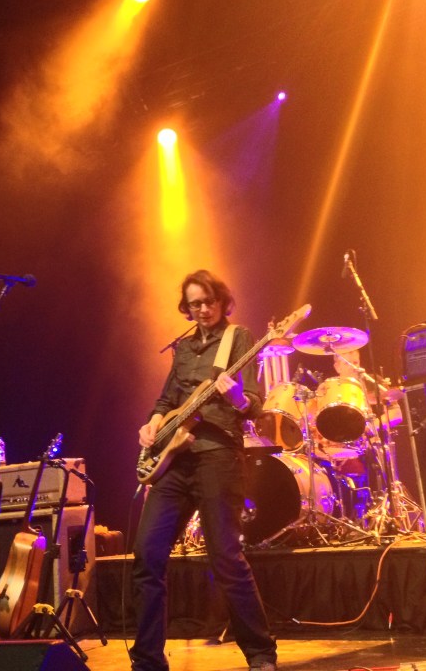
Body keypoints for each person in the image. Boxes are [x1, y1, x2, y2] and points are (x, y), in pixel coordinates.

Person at [131, 270, 277, 671]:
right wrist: (152, 424)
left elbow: (254, 404)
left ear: (221, 300)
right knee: (146, 555)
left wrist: (235, 396)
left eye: (208, 301)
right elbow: (165, 401)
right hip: (175, 460)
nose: (202, 309)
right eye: (194, 303)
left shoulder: (239, 339)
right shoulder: (182, 349)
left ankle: (261, 654)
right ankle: (146, 661)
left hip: (217, 456)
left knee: (227, 559)